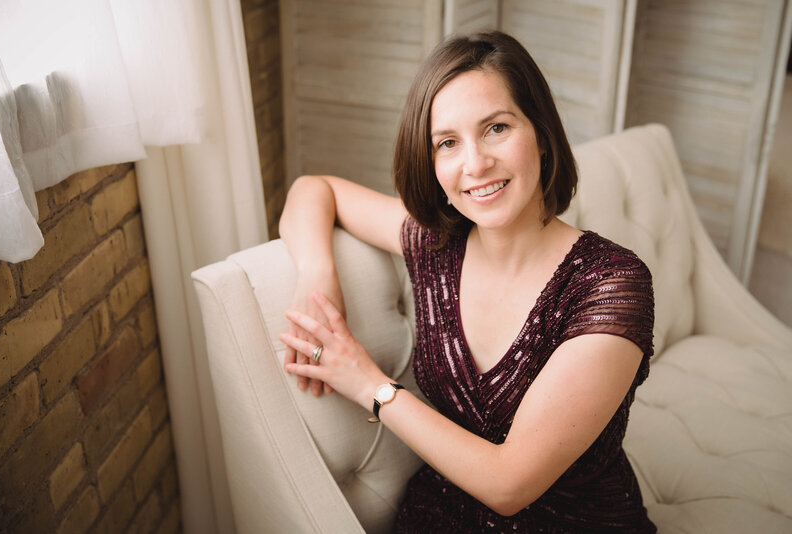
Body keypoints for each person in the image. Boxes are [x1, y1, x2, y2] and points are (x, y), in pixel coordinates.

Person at [278, 31, 657, 533]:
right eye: (448, 143)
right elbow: (314, 189)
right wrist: (316, 273)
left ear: (541, 135)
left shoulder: (611, 285)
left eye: (497, 128)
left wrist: (371, 385)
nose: (475, 164)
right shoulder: (437, 245)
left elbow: (509, 485)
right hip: (437, 516)